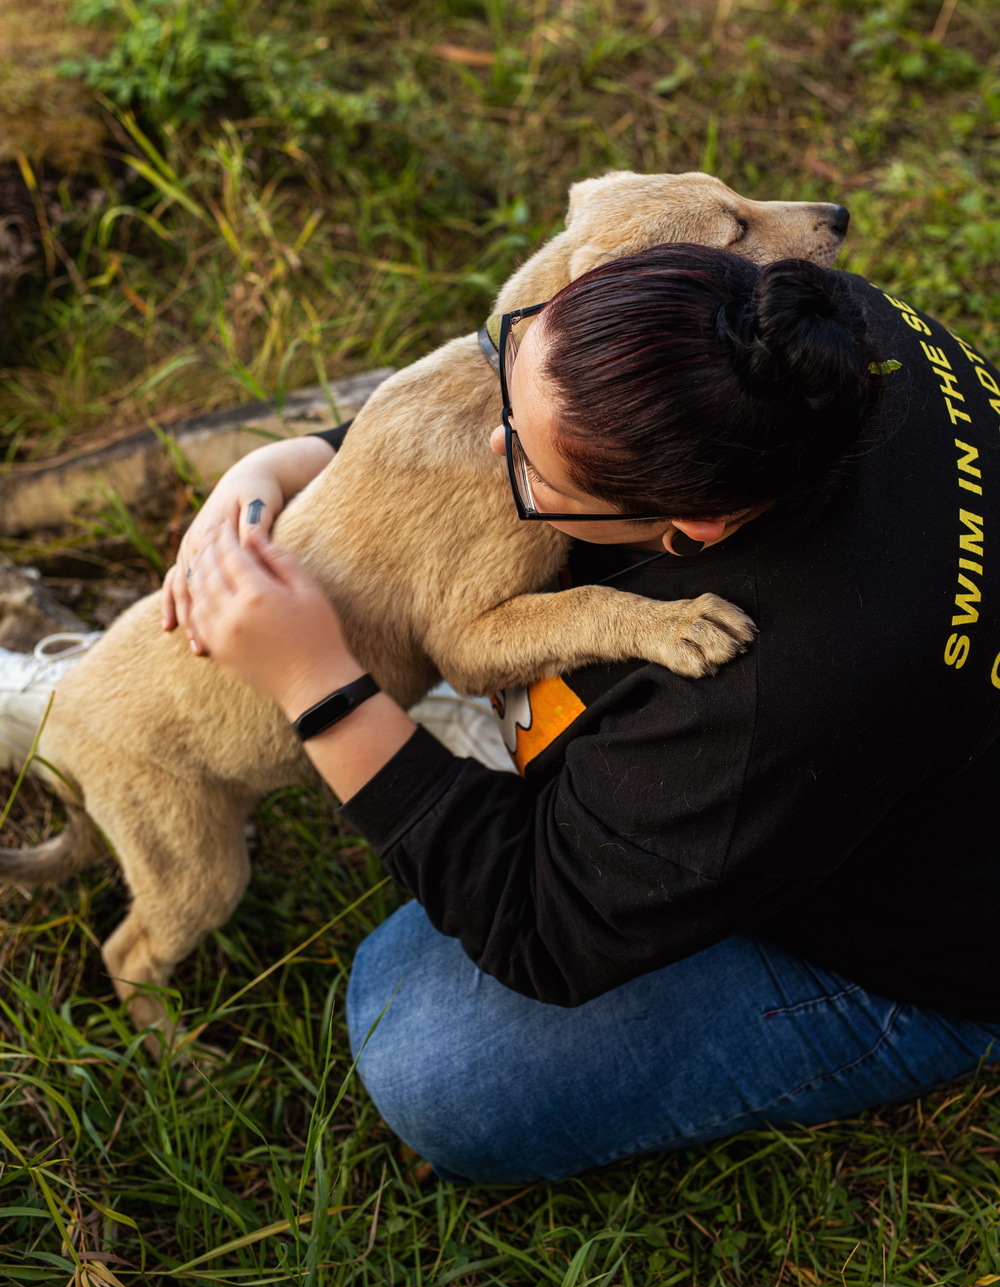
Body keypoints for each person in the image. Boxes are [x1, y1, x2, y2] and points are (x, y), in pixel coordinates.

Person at [29, 242, 1000, 1184]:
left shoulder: (761, 696)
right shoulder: (783, 329)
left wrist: (317, 683)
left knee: (429, 1048)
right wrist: (269, 474)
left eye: (533, 471)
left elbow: (543, 926)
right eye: (512, 393)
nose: (493, 448)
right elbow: (462, 434)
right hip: (905, 748)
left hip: (941, 943)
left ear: (689, 529)